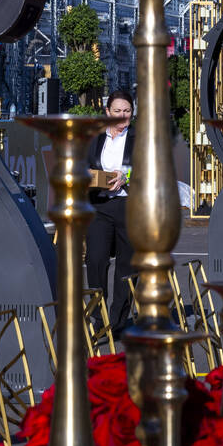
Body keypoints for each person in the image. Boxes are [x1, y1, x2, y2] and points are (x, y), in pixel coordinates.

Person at [86, 91, 136, 329]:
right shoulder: (95, 138)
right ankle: (98, 316)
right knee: (96, 259)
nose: (122, 116)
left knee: (127, 266)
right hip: (100, 206)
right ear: (107, 112)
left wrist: (125, 175)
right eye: (117, 111)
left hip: (129, 206)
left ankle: (117, 321)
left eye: (127, 111)